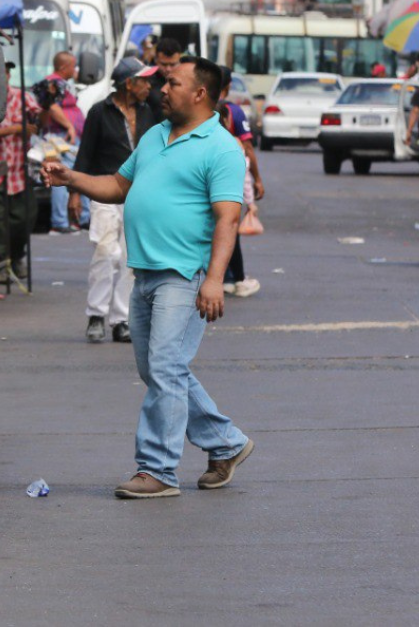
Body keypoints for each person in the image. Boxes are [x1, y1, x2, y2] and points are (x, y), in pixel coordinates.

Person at [43, 56, 253, 499]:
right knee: (159, 370)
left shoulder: (221, 148)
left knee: (165, 368)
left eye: (172, 83)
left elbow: (228, 219)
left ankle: (157, 470)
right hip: (145, 274)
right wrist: (72, 179)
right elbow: (119, 187)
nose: (162, 90)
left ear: (200, 93)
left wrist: (215, 280)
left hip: (184, 275)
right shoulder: (156, 134)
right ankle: (226, 442)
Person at [70, 57, 157, 344]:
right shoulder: (99, 112)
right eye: (144, 81)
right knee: (106, 252)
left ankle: (121, 319)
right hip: (105, 190)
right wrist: (75, 193)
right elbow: (85, 153)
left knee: (131, 259)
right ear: (129, 83)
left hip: (139, 194)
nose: (149, 86)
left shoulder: (148, 111)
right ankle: (96, 314)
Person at [0, 62, 48, 281]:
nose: (3, 76)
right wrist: (15, 129)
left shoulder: (23, 98)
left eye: (6, 72)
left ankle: (17, 257)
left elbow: (41, 122)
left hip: (20, 170)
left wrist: (47, 104)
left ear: (9, 75)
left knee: (25, 217)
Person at [218, 65, 263, 298]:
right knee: (229, 231)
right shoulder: (233, 112)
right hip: (229, 190)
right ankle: (235, 278)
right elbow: (248, 150)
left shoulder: (196, 109)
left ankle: (224, 277)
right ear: (228, 86)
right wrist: (257, 181)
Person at [34, 51, 87, 233]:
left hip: (66, 138)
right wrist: (69, 126)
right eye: (73, 66)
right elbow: (52, 107)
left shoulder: (61, 83)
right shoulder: (52, 83)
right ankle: (60, 222)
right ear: (64, 67)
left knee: (75, 175)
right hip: (60, 138)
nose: (75, 70)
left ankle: (77, 219)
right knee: (61, 177)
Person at [144, 37, 184, 122]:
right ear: (156, 60)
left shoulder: (187, 80)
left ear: (179, 61)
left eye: (172, 64)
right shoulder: (146, 81)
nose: (168, 69)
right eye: (164, 64)